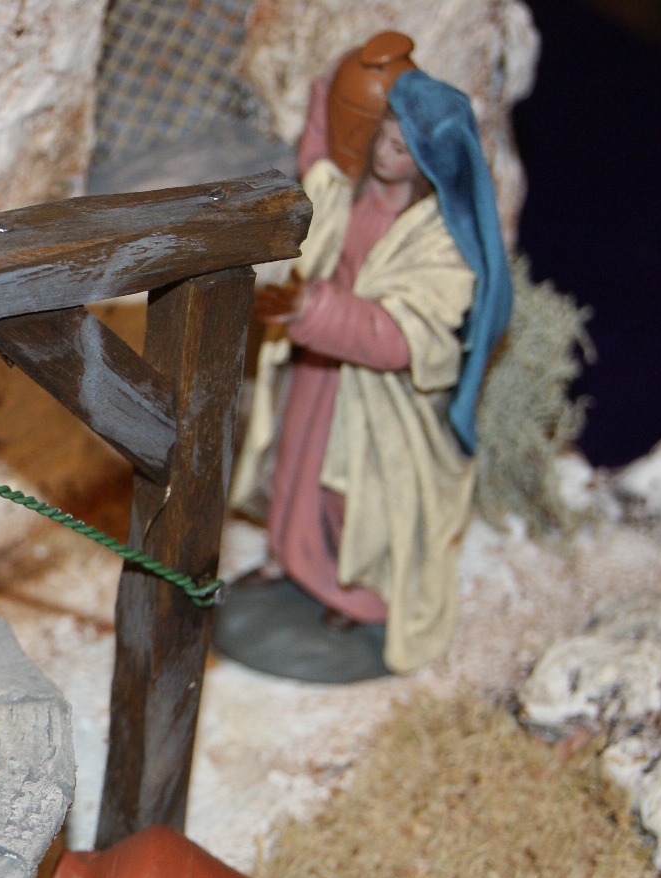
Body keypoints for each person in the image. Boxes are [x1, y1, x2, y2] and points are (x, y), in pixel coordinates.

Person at [226, 32, 512, 678]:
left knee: (358, 502)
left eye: (403, 148)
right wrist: (331, 91)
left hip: (381, 403)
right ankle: (291, 560)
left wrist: (315, 310)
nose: (386, 152)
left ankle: (359, 596)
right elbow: (321, 166)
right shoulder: (352, 195)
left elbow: (402, 336)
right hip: (320, 374)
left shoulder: (440, 243)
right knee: (295, 468)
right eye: (382, 137)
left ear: (430, 160)